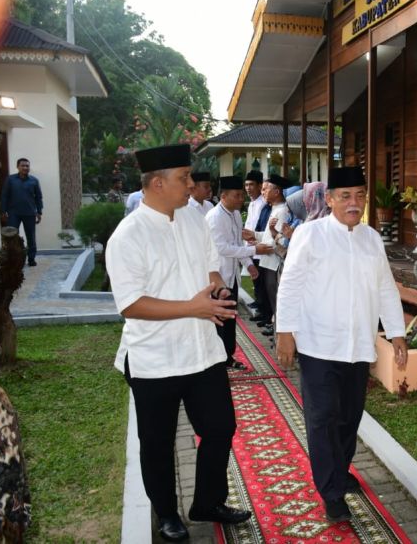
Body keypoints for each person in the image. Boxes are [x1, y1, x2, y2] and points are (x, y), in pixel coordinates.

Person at [105, 144, 251, 542]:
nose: (192, 184)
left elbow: (210, 270)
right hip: (154, 358)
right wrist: (192, 306)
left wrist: (217, 292)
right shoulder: (128, 236)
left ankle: (207, 501)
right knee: (157, 442)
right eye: (184, 177)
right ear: (157, 183)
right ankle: (167, 514)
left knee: (220, 427)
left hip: (202, 351)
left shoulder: (192, 219)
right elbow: (131, 304)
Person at [275, 167, 408, 523]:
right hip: (318, 344)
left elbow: (384, 289)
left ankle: (339, 469)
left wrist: (397, 333)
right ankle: (332, 493)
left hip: (358, 345)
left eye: (360, 195)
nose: (354, 203)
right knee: (322, 419)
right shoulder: (310, 234)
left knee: (349, 417)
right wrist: (285, 331)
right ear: (330, 199)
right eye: (346, 196)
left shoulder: (371, 239)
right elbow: (290, 284)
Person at [206, 175, 271, 370]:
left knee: (230, 318)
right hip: (216, 278)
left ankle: (228, 356)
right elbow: (222, 248)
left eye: (242, 195)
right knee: (219, 319)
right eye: (237, 195)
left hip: (231, 275)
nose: (241, 199)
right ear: (223, 196)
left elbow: (237, 243)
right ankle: (217, 359)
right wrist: (254, 251)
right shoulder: (214, 217)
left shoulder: (234, 214)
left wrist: (249, 264)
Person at [244, 174, 292, 335]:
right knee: (271, 297)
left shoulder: (282, 211)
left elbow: (279, 241)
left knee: (276, 297)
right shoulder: (274, 209)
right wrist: (253, 235)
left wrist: (257, 245)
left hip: (274, 261)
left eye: (265, 189)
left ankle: (280, 330)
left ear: (277, 191)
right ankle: (275, 326)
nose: (262, 192)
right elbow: (268, 235)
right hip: (267, 260)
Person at [0, 158, 43, 267]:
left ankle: (31, 259)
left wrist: (39, 212)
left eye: (27, 166)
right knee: (12, 237)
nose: (25, 168)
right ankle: (14, 259)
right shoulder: (10, 180)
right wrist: (3, 211)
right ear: (18, 167)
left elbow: (38, 197)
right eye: (23, 166)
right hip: (13, 213)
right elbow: (4, 196)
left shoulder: (34, 181)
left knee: (31, 237)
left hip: (29, 213)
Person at [242, 170, 267, 316]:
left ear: (259, 185)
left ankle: (263, 308)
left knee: (262, 278)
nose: (248, 188)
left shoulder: (263, 203)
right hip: (250, 244)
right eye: (246, 185)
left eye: (251, 185)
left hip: (259, 244)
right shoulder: (252, 203)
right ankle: (258, 302)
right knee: (255, 276)